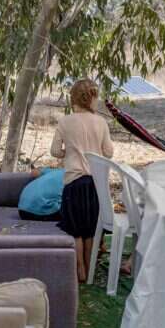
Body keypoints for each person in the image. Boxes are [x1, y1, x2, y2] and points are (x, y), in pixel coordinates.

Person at [50, 79, 115, 282]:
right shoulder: (101, 122)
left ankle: (79, 268)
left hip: (73, 181)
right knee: (90, 230)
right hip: (95, 183)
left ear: (74, 99)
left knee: (76, 229)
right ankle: (90, 266)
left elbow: (54, 151)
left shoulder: (65, 122)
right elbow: (109, 152)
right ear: (91, 99)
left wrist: (67, 153)